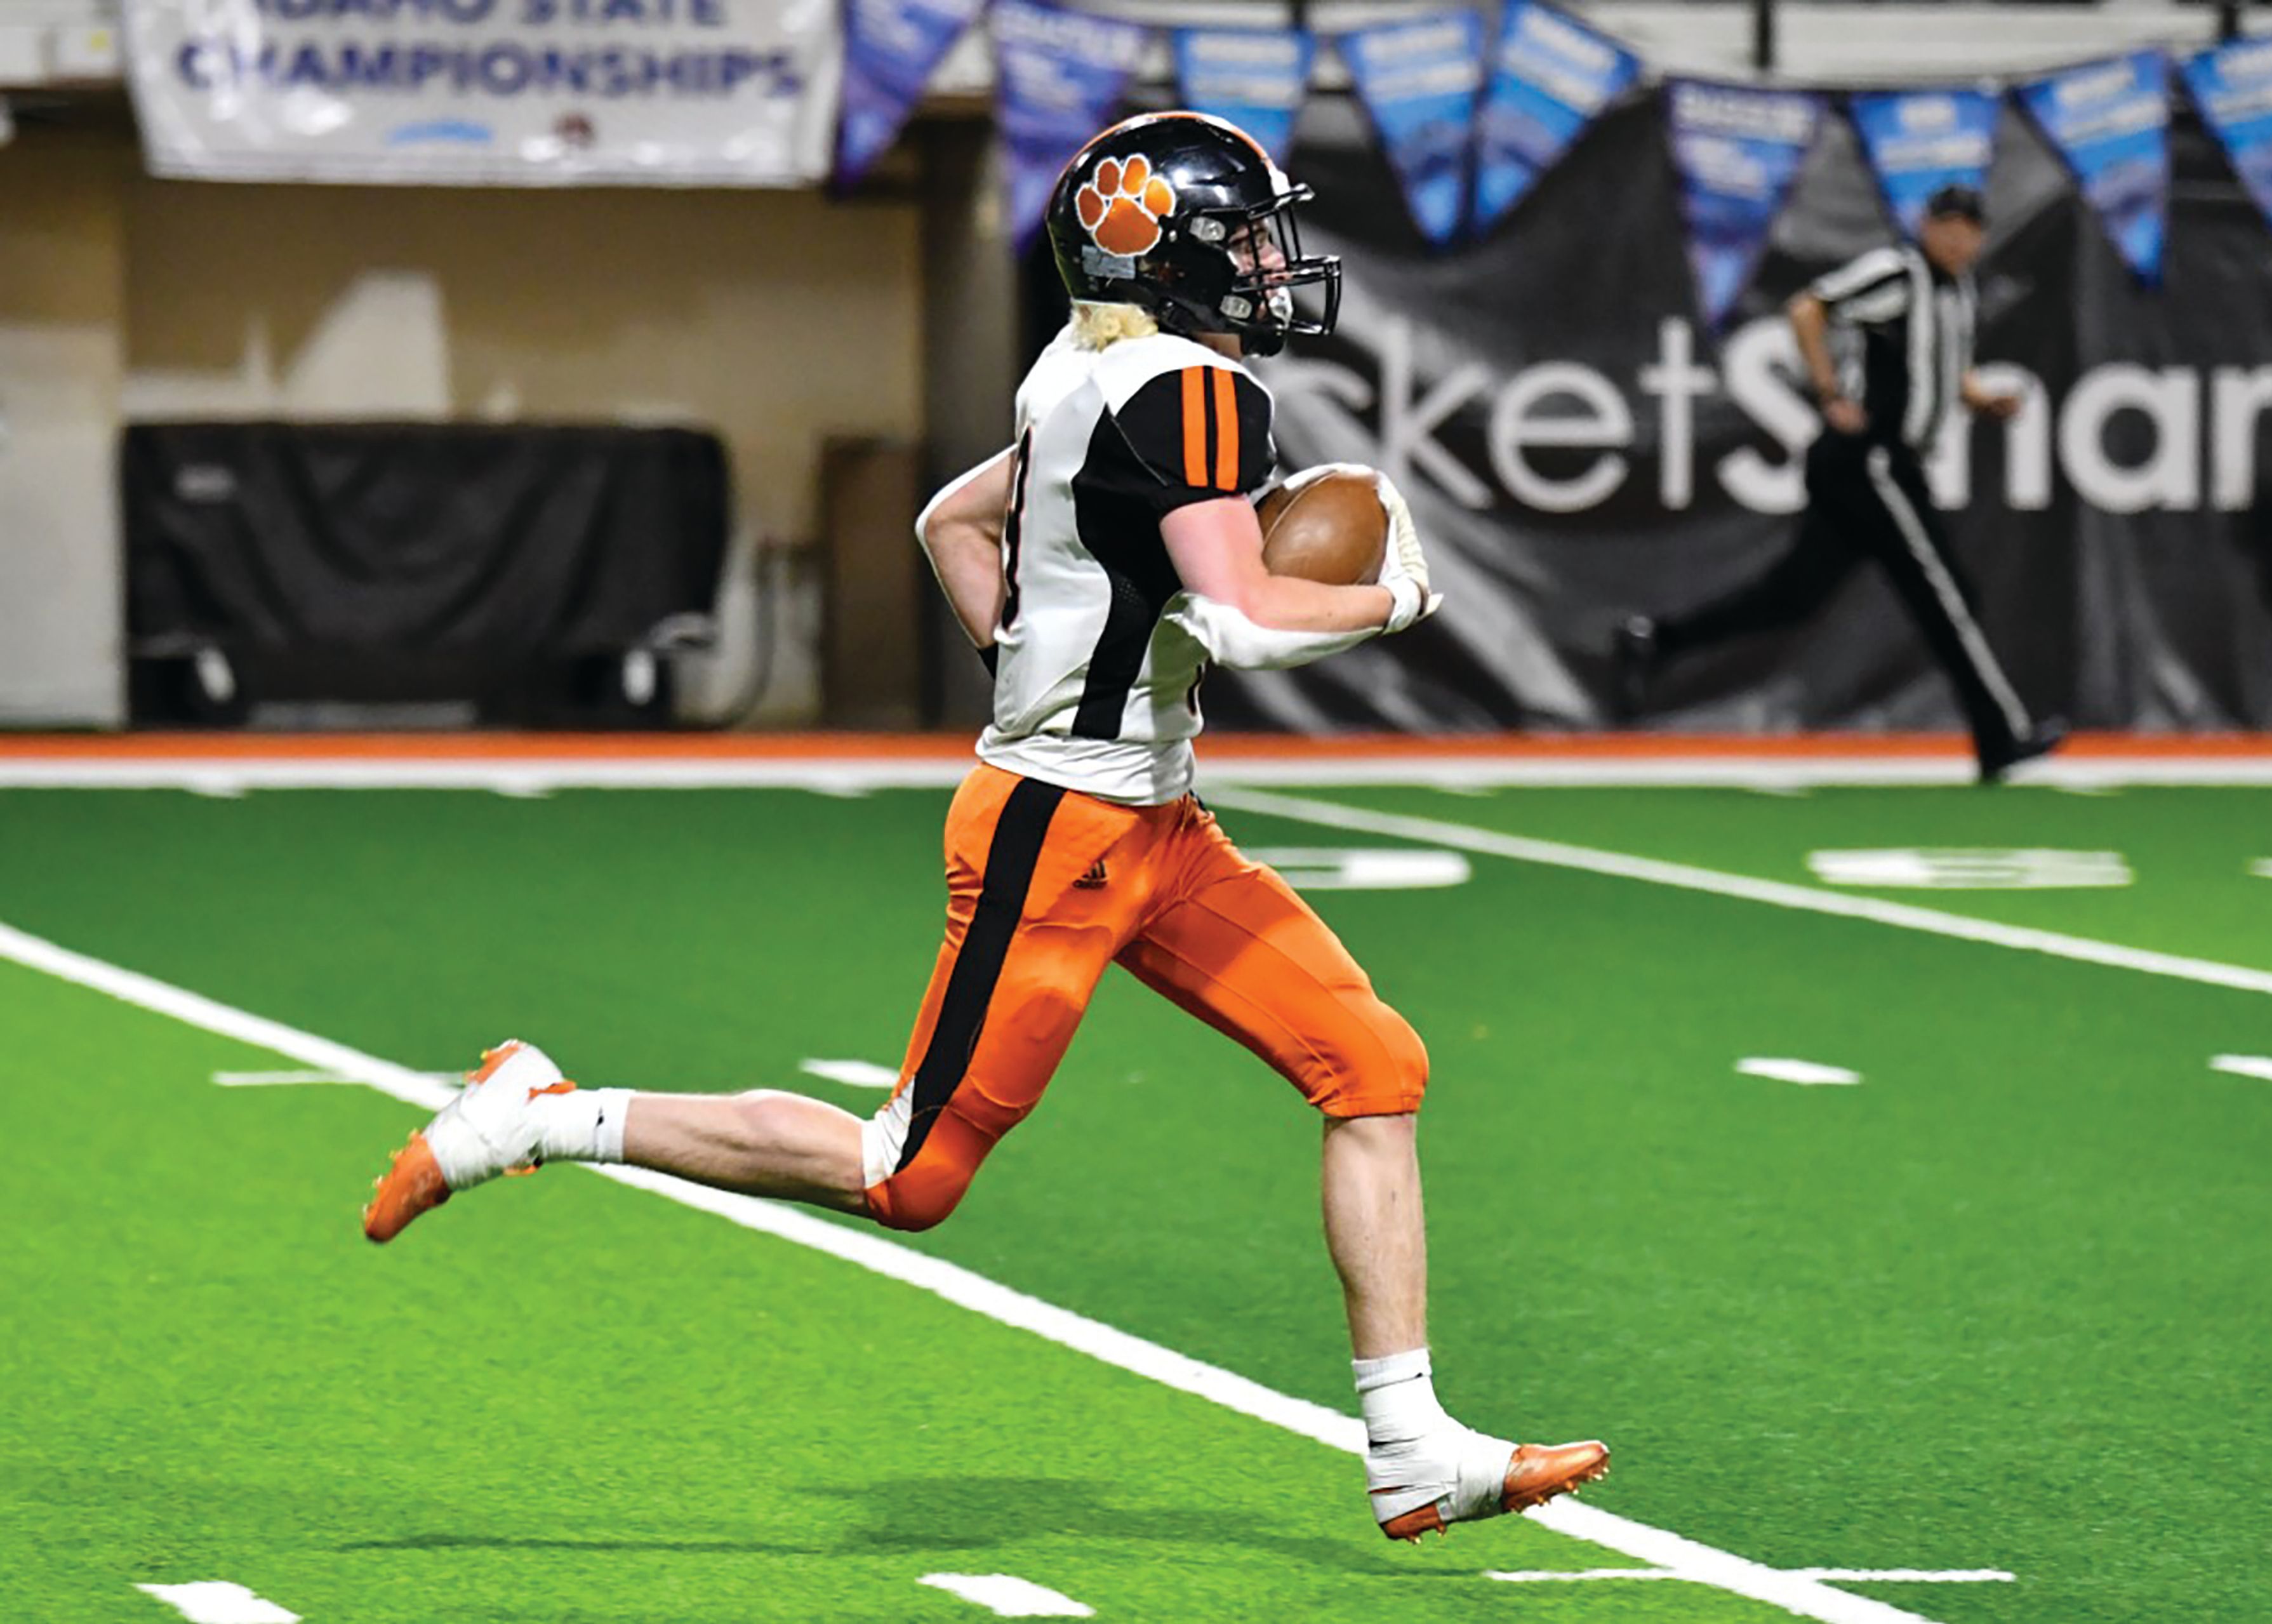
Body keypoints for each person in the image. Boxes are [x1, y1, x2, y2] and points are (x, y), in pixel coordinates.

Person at [362, 110, 1606, 1544]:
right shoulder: (1192, 391)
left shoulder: (1076, 369)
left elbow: (955, 524)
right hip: (1063, 825)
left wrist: (1030, 667)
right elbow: (1242, 618)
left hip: (1145, 815)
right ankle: (544, 1112)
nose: (1275, 266)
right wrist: (1395, 596)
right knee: (908, 1175)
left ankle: (1409, 1443)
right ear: (1173, 248)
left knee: (1371, 1064)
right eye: (1251, 237)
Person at [1619, 184, 2065, 783]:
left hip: (1882, 463)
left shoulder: (1957, 291)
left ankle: (1655, 640)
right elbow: (1809, 310)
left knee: (1794, 596)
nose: (1959, 238)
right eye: (1948, 225)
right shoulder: (1898, 274)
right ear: (1926, 225)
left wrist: (1978, 399)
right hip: (1871, 459)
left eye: (1970, 228)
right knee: (1949, 596)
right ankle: (2001, 736)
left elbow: (1940, 369)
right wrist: (1830, 393)